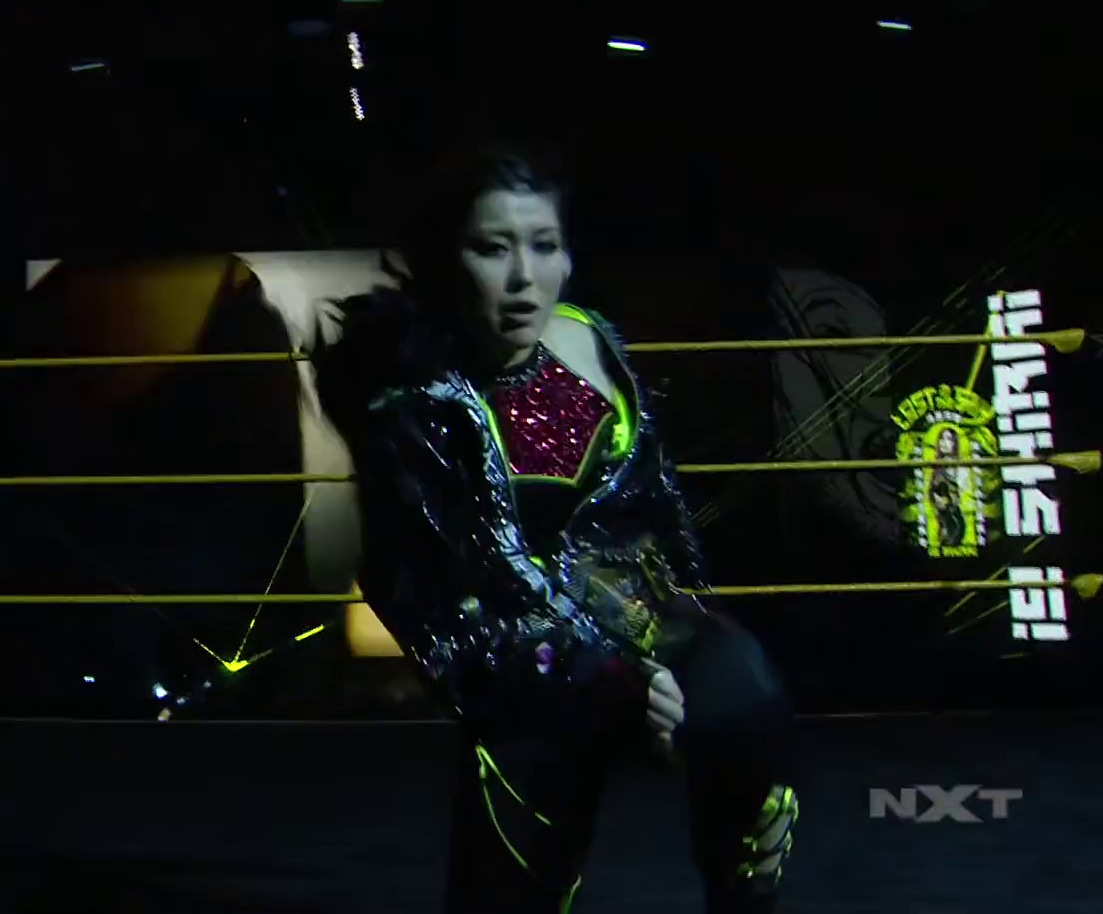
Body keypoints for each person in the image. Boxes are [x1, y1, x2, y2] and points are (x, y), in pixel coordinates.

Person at [311, 145, 797, 913]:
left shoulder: (588, 339)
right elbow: (450, 593)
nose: (523, 278)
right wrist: (612, 677)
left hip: (643, 620)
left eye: (543, 246)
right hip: (520, 668)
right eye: (492, 248)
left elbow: (658, 506)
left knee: (745, 691)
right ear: (448, 257)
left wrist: (687, 627)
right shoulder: (412, 403)